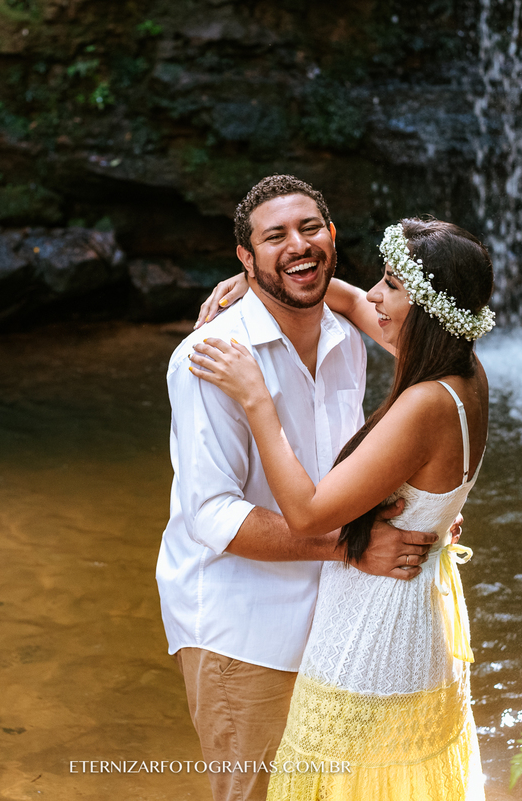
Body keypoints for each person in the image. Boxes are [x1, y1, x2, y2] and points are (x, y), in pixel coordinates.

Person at [157, 176, 456, 801]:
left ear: (334, 238)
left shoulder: (350, 335)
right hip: (242, 626)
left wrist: (420, 509)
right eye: (275, 237)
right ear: (244, 258)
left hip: (336, 616)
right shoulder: (211, 357)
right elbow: (211, 516)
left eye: (310, 229)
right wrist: (353, 547)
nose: (299, 245)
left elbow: (346, 469)